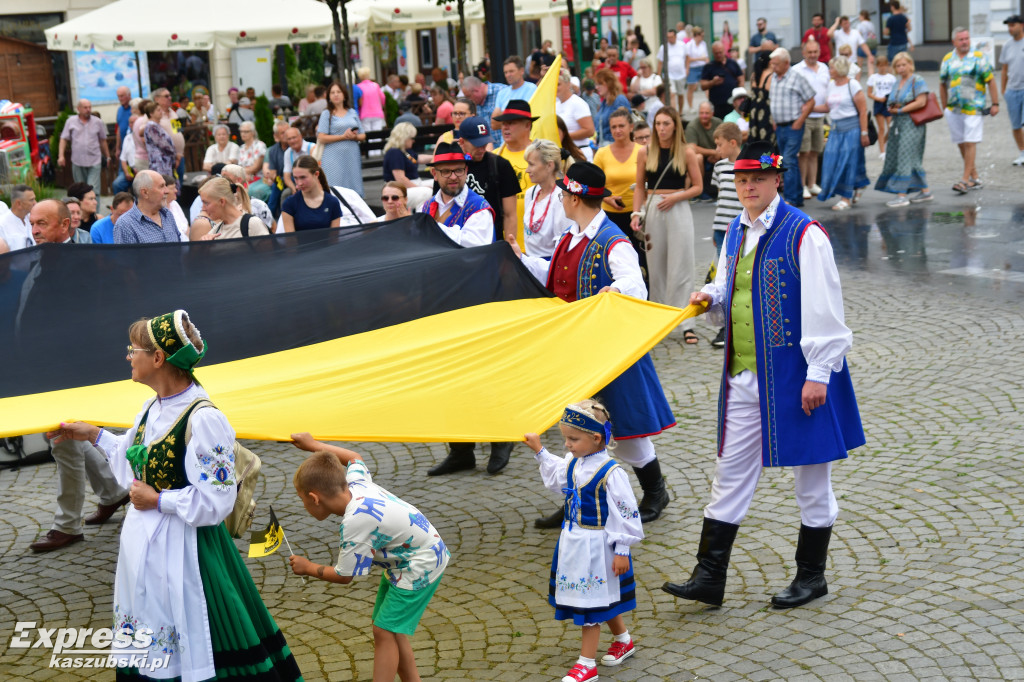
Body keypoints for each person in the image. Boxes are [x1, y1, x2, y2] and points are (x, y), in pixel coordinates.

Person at [663, 140, 865, 610]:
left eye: (757, 179)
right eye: (742, 180)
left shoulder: (805, 233)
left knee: (811, 479)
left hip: (799, 378)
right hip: (742, 375)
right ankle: (709, 576)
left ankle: (811, 577)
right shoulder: (736, 229)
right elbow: (729, 284)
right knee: (730, 473)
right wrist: (711, 297)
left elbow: (825, 309)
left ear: (778, 180)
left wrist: (818, 374)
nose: (749, 187)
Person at [49, 311, 302, 680]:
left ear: (157, 358)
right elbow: (138, 458)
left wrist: (159, 501)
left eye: (133, 349)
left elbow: (218, 500)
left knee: (193, 630)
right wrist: (94, 435)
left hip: (186, 547)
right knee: (149, 625)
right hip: (145, 543)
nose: (127, 356)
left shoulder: (203, 418)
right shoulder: (153, 407)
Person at [514, 162, 675, 526]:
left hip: (607, 353)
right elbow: (554, 276)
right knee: (575, 426)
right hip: (572, 351)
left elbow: (635, 284)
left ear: (574, 198)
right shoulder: (569, 235)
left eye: (563, 195)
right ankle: (576, 495)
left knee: (625, 429)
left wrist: (614, 289)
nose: (560, 201)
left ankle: (655, 491)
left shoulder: (612, 241)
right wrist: (521, 259)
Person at [287, 435, 447, 682]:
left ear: (314, 497)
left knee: (383, 630)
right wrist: (314, 446)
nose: (304, 506)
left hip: (420, 564)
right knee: (390, 629)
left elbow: (344, 576)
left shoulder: (355, 522)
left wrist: (309, 567)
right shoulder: (355, 482)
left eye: (302, 500)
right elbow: (354, 457)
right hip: (411, 559)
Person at [524, 400, 643, 682]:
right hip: (574, 542)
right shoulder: (575, 463)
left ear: (596, 438)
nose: (567, 444)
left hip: (598, 546)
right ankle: (624, 640)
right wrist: (539, 450)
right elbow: (558, 478)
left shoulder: (611, 474)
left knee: (591, 603)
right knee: (602, 597)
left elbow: (625, 513)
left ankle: (586, 664)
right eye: (565, 438)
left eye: (573, 439)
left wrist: (622, 549)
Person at [631, 108, 702, 342]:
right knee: (656, 266)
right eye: (658, 123)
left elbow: (698, 187)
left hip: (678, 207)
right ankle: (659, 319)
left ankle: (686, 322)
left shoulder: (686, 152)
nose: (661, 128)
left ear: (675, 126)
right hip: (653, 210)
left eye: (666, 124)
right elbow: (640, 186)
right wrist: (636, 213)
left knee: (681, 266)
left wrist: (676, 197)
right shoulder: (645, 152)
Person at [941, 27, 1000, 194]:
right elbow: (941, 82)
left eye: (967, 38)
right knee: (961, 142)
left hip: (974, 106)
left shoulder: (979, 58)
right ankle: (974, 177)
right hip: (954, 109)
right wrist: (944, 107)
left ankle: (964, 180)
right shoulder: (948, 59)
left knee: (969, 142)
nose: (965, 42)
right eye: (961, 39)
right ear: (954, 42)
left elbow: (991, 81)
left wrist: (995, 103)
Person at [874, 52, 932, 206]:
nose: (901, 68)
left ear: (910, 64)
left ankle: (901, 195)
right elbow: (890, 100)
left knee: (904, 157)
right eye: (898, 65)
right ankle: (926, 192)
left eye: (903, 65)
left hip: (912, 123)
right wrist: (892, 108)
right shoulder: (897, 82)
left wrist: (900, 110)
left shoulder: (917, 80)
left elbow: (921, 101)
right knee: (911, 158)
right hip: (898, 124)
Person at [815, 57, 870, 210]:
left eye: (831, 68)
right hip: (835, 128)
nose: (829, 70)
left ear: (839, 69)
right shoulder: (831, 85)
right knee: (830, 160)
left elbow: (863, 110)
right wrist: (809, 109)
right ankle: (860, 184)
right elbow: (828, 107)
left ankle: (845, 198)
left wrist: (864, 132)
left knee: (847, 163)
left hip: (852, 128)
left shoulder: (853, 84)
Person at [418, 141, 495, 249]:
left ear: (466, 171)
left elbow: (476, 246)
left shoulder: (480, 209)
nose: (453, 177)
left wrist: (430, 227)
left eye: (459, 170)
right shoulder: (424, 207)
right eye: (446, 171)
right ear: (435, 174)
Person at [708, 122, 744, 350]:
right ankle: (726, 324)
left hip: (739, 229)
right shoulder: (720, 167)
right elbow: (720, 198)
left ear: (733, 143)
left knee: (737, 275)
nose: (717, 150)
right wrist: (715, 229)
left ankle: (735, 324)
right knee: (724, 276)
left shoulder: (746, 167)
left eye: (720, 145)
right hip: (721, 228)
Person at [768, 47, 817, 207]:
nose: (773, 67)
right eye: (772, 64)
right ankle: (796, 197)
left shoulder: (797, 77)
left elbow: (811, 101)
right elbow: (774, 101)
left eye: (776, 64)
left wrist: (800, 120)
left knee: (788, 160)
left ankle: (790, 198)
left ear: (786, 63)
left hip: (793, 125)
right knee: (787, 161)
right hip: (780, 126)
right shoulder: (774, 77)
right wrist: (774, 120)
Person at [458, 117, 520, 242]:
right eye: (477, 144)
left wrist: (508, 250)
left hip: (492, 241)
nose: (482, 148)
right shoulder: (450, 167)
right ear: (462, 142)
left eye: (485, 143)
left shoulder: (500, 165)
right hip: (458, 240)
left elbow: (510, 215)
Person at [594, 108, 643, 264]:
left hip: (638, 214)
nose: (617, 130)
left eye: (621, 126)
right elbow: (594, 183)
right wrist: (607, 198)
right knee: (615, 259)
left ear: (631, 127)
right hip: (611, 215)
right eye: (613, 127)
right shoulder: (602, 153)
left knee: (641, 259)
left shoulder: (642, 151)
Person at [495, 99, 539, 246]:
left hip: (536, 241)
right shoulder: (495, 157)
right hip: (501, 240)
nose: (505, 127)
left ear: (528, 125)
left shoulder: (541, 156)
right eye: (503, 123)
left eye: (512, 123)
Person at [793, 40, 831, 201]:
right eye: (810, 52)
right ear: (804, 53)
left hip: (820, 115)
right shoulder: (796, 70)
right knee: (804, 152)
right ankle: (802, 186)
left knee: (815, 151)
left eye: (815, 52)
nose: (813, 55)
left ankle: (812, 183)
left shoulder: (824, 68)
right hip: (805, 116)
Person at [523, 138, 572, 259]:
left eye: (531, 164)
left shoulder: (562, 197)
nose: (527, 170)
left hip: (550, 266)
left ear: (549, 165)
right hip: (530, 265)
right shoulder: (531, 193)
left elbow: (562, 245)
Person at [317, 82, 366, 194]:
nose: (336, 95)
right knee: (336, 186)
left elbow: (363, 135)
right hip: (333, 156)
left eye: (338, 92)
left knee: (353, 184)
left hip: (351, 154)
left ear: (344, 95)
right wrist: (342, 137)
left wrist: (354, 137)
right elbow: (321, 137)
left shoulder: (352, 112)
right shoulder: (326, 114)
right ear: (329, 97)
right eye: (332, 92)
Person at [190, 176, 270, 240]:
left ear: (222, 202)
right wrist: (205, 249)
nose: (203, 208)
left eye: (206, 203)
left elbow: (269, 257)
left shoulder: (252, 224)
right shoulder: (215, 231)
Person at [58, 98, 112, 191]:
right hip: (77, 160)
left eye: (90, 107)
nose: (88, 110)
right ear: (78, 108)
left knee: (93, 189)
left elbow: (103, 140)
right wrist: (61, 156)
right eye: (85, 107)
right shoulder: (71, 121)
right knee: (80, 189)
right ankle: (82, 206)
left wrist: (108, 156)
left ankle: (95, 205)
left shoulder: (98, 122)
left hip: (94, 159)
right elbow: (63, 139)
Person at [115, 171, 182, 243]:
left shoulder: (167, 214)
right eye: (162, 186)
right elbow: (127, 254)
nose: (167, 191)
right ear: (145, 193)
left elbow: (178, 248)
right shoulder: (126, 224)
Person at [282, 155, 343, 232]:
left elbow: (334, 239)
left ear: (316, 174)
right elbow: (290, 241)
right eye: (296, 178)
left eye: (303, 177)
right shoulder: (289, 203)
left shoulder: (332, 202)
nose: (299, 183)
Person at [382, 122, 432, 210]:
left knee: (436, 183)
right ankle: (420, 217)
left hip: (412, 184)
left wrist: (436, 156)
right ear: (404, 138)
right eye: (412, 138)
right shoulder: (394, 152)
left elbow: (417, 159)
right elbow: (401, 179)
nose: (414, 140)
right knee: (427, 192)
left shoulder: (405, 152)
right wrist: (419, 188)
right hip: (398, 190)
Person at [686, 102, 723, 202]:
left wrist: (717, 153)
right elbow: (692, 147)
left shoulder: (718, 123)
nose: (704, 116)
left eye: (707, 113)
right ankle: (699, 190)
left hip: (716, 155)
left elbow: (724, 140)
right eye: (701, 113)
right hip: (703, 156)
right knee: (698, 157)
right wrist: (712, 153)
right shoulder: (692, 126)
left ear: (712, 113)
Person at [556, 71, 596, 161]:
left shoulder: (578, 103)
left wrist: (565, 136)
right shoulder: (556, 105)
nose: (555, 87)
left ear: (568, 84)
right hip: (564, 154)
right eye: (553, 84)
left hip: (580, 153)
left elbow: (590, 130)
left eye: (558, 84)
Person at [492, 56, 538, 133]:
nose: (508, 75)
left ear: (522, 71)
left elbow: (527, 118)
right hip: (505, 143)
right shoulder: (501, 93)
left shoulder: (531, 89)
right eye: (505, 72)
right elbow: (494, 124)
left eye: (511, 71)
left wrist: (503, 116)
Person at [700, 41, 745, 120]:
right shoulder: (709, 66)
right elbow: (703, 85)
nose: (718, 55)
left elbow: (741, 79)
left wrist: (739, 94)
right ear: (713, 53)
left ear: (724, 50)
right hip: (717, 104)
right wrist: (712, 82)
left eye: (720, 52)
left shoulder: (732, 63)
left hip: (732, 103)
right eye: (716, 53)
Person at [461, 75, 508, 146]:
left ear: (476, 90)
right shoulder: (475, 104)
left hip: (506, 146)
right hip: (488, 150)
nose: (469, 100)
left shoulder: (502, 91)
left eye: (468, 96)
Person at [141, 101, 179, 187]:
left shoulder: (157, 125)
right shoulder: (151, 126)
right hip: (160, 163)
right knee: (164, 185)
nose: (161, 112)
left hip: (166, 162)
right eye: (158, 110)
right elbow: (163, 144)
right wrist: (174, 154)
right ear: (151, 113)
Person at [1003, 15, 1024, 166]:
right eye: (1009, 26)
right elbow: (1004, 70)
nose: (1010, 28)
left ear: (1021, 25)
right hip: (1012, 90)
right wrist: (1004, 90)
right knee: (1015, 125)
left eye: (1013, 25)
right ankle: (1022, 152)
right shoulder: (1007, 46)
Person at [866, 56, 897, 157]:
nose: (882, 68)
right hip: (879, 102)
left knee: (891, 126)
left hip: (889, 102)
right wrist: (878, 98)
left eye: (884, 65)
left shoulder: (891, 78)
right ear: (877, 66)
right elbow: (869, 93)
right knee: (881, 128)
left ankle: (884, 142)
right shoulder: (873, 78)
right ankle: (882, 151)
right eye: (880, 65)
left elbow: (895, 91)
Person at [595, 70, 631, 148]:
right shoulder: (604, 103)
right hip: (603, 147)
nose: (596, 87)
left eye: (600, 84)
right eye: (596, 84)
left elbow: (625, 127)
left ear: (609, 84)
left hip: (616, 146)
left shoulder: (619, 100)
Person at [263, 120, 291, 217]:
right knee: (277, 184)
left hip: (295, 179)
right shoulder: (273, 150)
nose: (286, 135)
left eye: (287, 131)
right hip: (281, 181)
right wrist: (274, 178)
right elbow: (272, 173)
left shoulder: (294, 145)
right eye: (282, 133)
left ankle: (269, 216)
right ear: (276, 136)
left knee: (277, 188)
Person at [656, 29, 688, 113]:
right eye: (668, 37)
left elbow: (687, 58)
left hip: (681, 74)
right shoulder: (663, 47)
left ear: (675, 36)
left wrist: (687, 69)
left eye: (671, 37)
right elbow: (660, 62)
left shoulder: (682, 45)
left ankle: (680, 112)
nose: (670, 39)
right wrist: (658, 75)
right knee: (672, 94)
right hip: (669, 75)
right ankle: (673, 112)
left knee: (680, 94)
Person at [747, 53, 776, 146]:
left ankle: (756, 159)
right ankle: (768, 161)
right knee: (767, 140)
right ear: (770, 62)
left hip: (754, 111)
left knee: (756, 139)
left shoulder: (754, 76)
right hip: (766, 112)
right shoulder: (771, 76)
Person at [238, 121, 268, 200]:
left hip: (257, 177)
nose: (243, 134)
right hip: (243, 177)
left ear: (253, 133)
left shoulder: (260, 145)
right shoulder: (241, 148)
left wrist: (241, 172)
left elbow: (256, 167)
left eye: (246, 131)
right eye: (241, 131)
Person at [283, 126, 315, 197]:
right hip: (298, 184)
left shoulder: (312, 148)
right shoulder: (288, 153)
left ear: (300, 136)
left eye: (294, 137)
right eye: (289, 139)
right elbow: (286, 176)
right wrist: (293, 187)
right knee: (286, 194)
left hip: (313, 183)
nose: (292, 141)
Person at [0, 184, 35, 250]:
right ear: (19, 204)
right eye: (31, 200)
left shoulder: (33, 219)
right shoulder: (2, 225)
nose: (35, 203)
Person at [353, 67, 386, 133]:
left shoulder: (358, 86)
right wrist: (382, 105)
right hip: (377, 113)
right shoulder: (375, 85)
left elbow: (360, 102)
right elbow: (383, 97)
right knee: (377, 134)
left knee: (367, 134)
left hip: (365, 113)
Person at [684, 27, 709, 112]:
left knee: (707, 86)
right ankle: (691, 107)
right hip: (693, 68)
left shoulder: (703, 44)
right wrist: (700, 58)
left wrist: (707, 65)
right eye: (701, 36)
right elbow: (688, 59)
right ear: (697, 35)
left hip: (702, 67)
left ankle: (709, 104)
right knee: (691, 87)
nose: (702, 37)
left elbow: (706, 57)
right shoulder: (689, 45)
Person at [113, 113, 137, 194]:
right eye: (130, 122)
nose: (132, 124)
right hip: (130, 169)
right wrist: (127, 172)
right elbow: (123, 158)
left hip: (142, 169)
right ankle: (121, 205)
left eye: (134, 122)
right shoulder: (127, 138)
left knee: (139, 187)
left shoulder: (143, 137)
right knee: (117, 184)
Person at [162, 174, 190, 239]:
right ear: (164, 191)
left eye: (176, 187)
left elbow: (186, 226)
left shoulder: (174, 204)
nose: (176, 190)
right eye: (173, 188)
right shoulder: (159, 209)